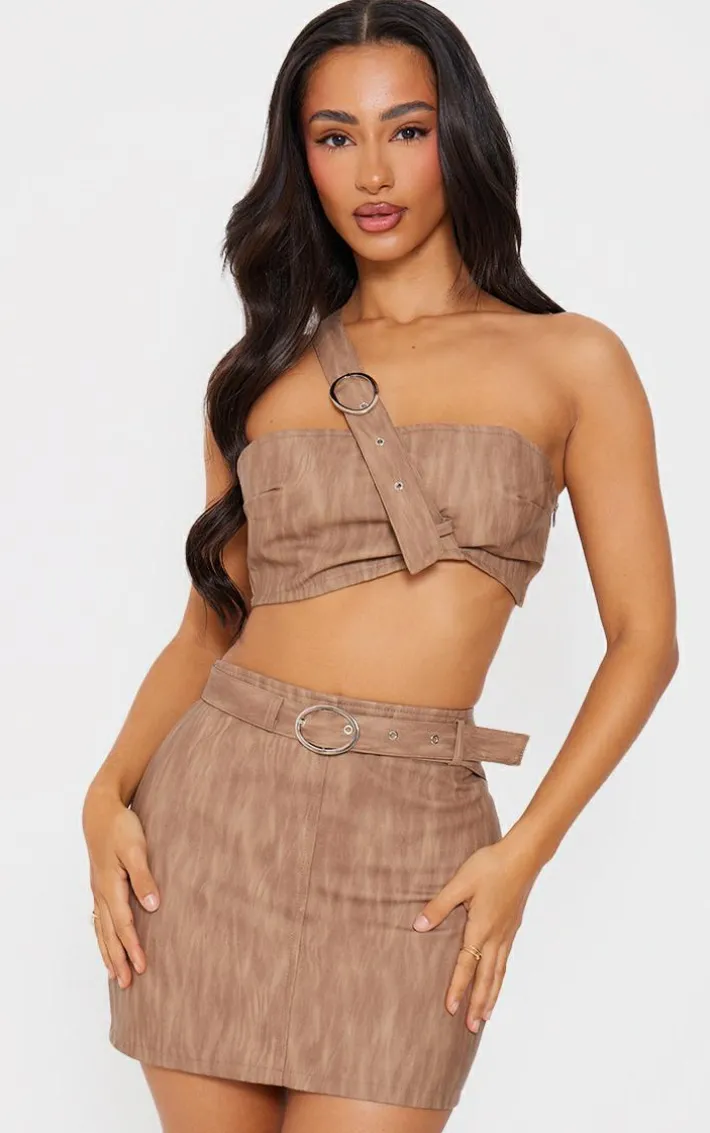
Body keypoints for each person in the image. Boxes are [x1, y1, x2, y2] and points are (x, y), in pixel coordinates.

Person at [81, 2, 678, 1131]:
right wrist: (103, 796)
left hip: (416, 841)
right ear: (298, 157)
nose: (372, 171)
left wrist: (521, 856)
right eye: (334, 136)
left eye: (407, 129)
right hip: (212, 824)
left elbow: (644, 641)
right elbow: (209, 626)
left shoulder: (572, 360)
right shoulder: (258, 375)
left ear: (461, 136)